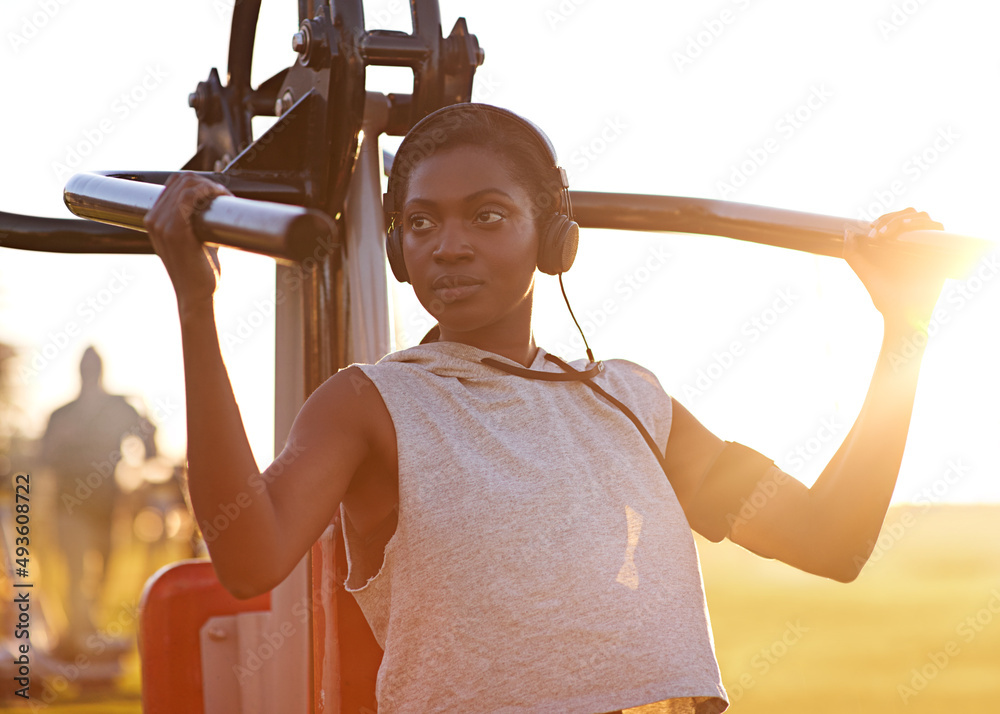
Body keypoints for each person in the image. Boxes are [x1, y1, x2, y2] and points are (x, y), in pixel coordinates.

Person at [144, 103, 948, 713]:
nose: (446, 245)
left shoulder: (631, 401)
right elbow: (248, 557)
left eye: (486, 216)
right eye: (420, 222)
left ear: (553, 238)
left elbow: (829, 538)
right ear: (396, 250)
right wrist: (194, 305)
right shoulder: (372, 404)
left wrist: (905, 329)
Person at [40, 346, 157, 657]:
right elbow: (43, 460)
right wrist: (59, 443)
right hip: (68, 506)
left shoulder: (120, 409)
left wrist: (148, 426)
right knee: (75, 572)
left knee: (103, 573)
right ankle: (77, 638)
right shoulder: (61, 414)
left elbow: (150, 450)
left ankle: (86, 635)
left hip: (108, 506)